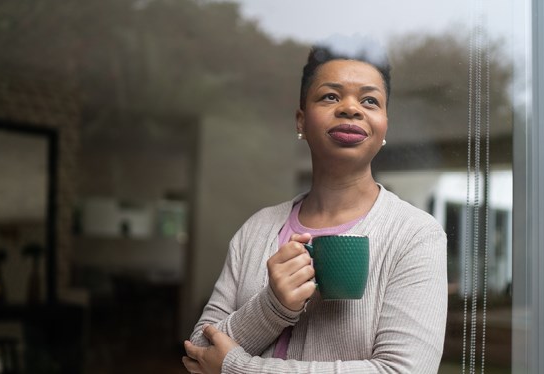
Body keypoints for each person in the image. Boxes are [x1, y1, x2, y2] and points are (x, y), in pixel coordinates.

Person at [182, 39, 447, 374]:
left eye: (369, 100)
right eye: (330, 96)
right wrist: (272, 306)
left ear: (384, 127)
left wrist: (239, 369)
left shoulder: (415, 235)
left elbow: (404, 372)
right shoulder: (258, 228)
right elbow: (199, 351)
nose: (351, 108)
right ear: (300, 121)